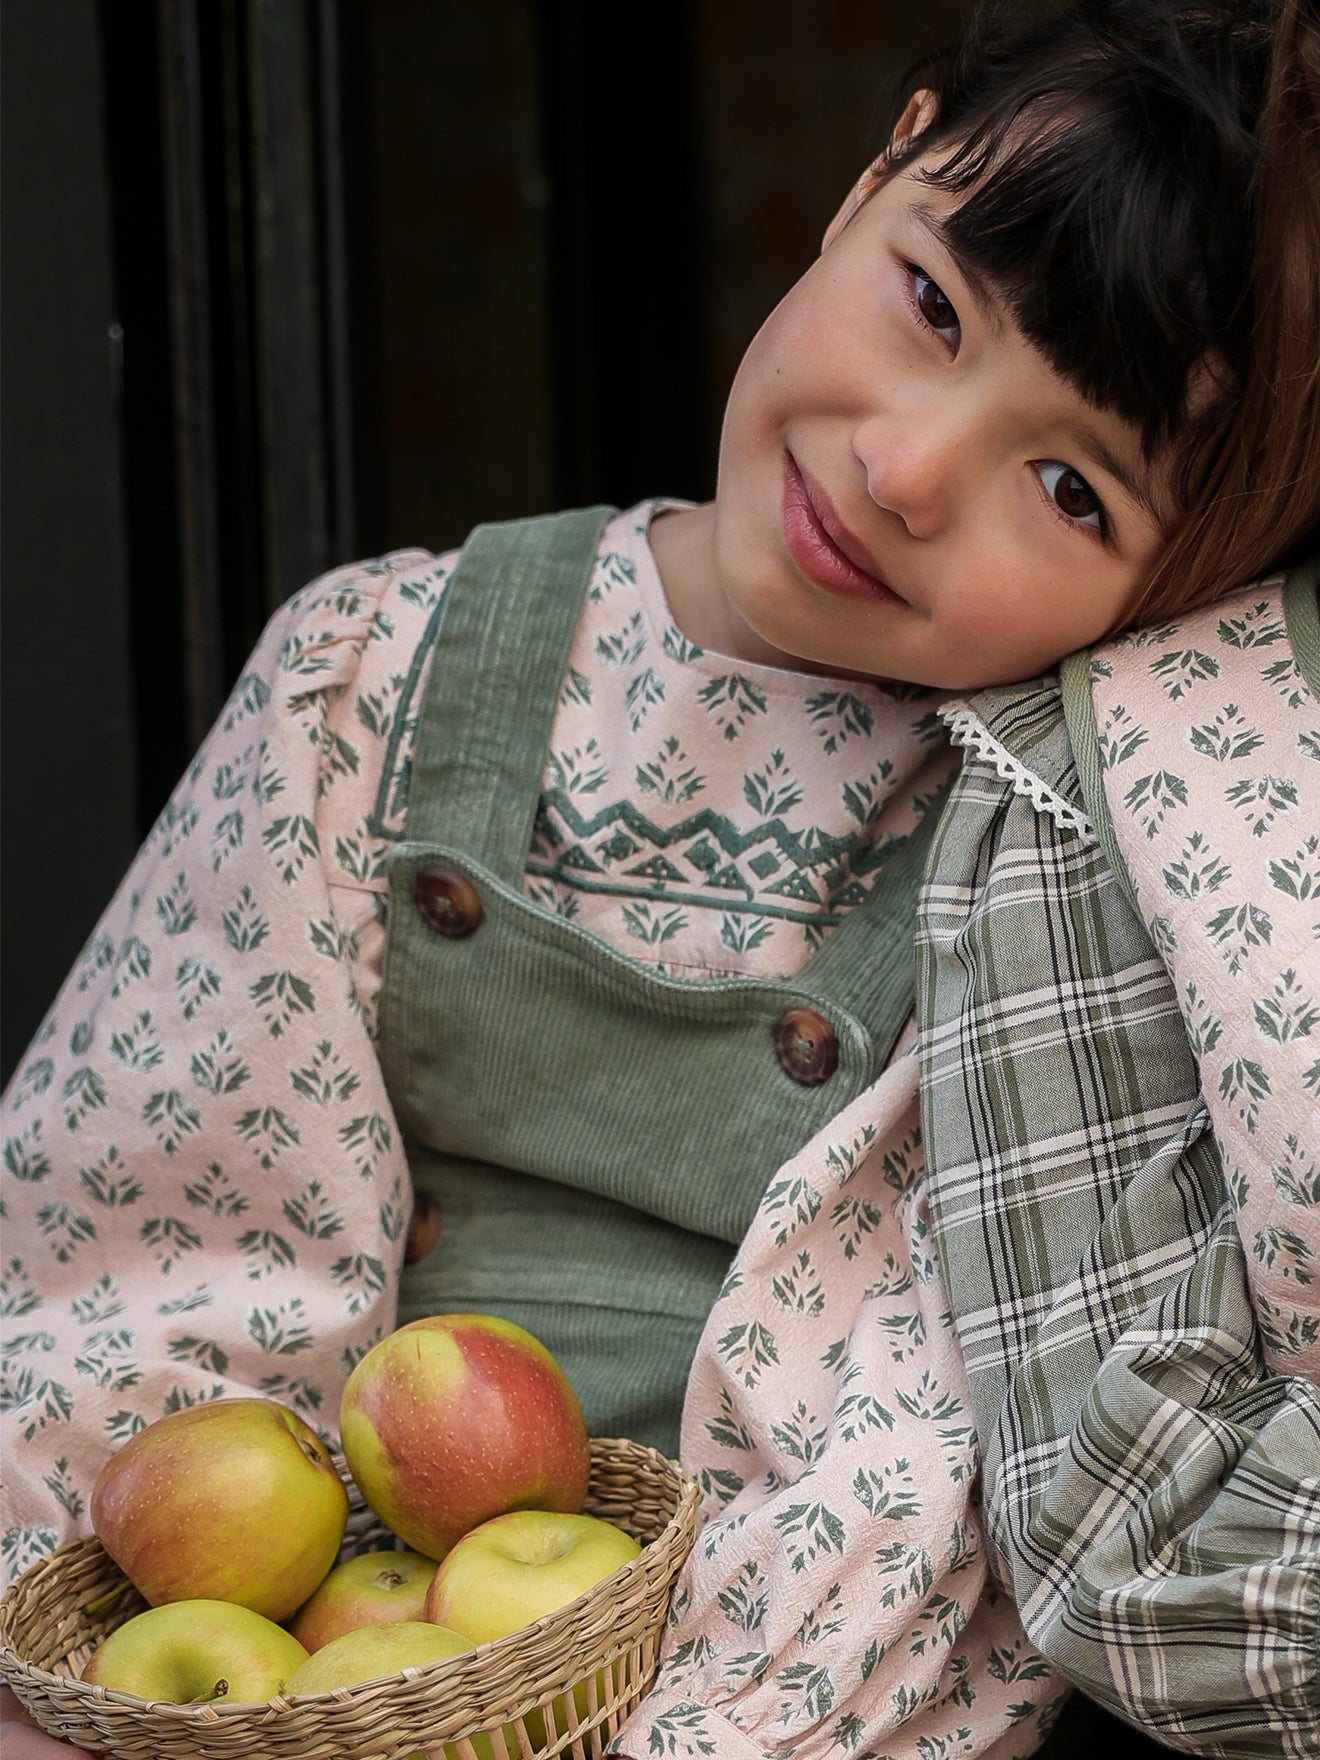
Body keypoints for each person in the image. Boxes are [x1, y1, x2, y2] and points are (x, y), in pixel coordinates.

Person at [2, 1, 1317, 1755]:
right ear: (874, 171)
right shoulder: (379, 678)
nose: (907, 470)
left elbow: (919, 1467)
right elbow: (146, 1270)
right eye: (933, 305)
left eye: (1070, 487)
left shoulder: (1061, 868)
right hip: (314, 1673)